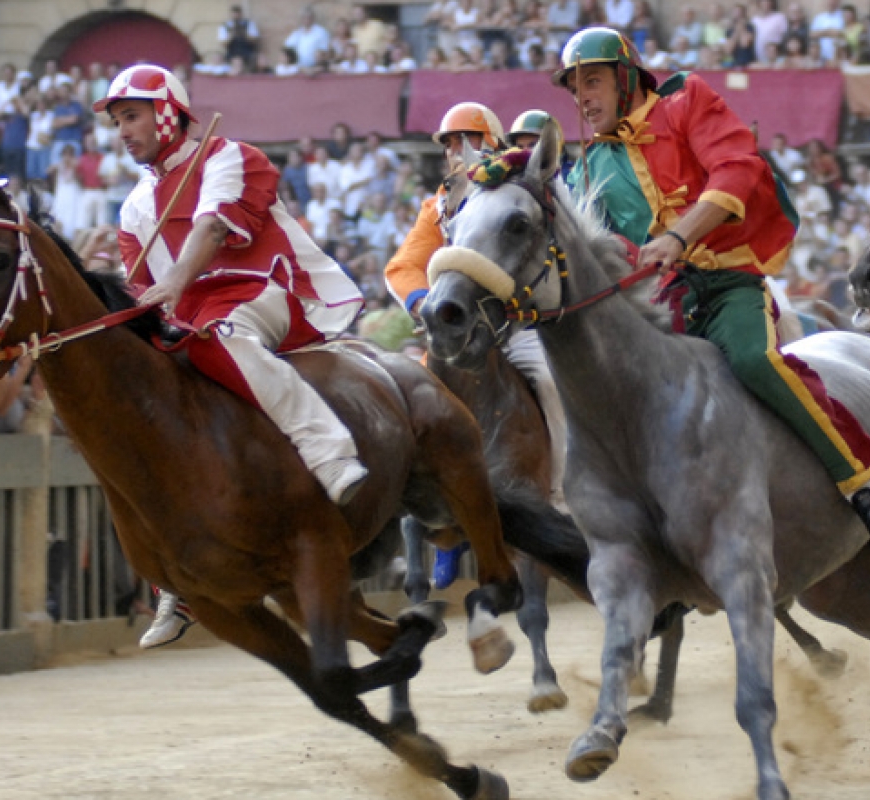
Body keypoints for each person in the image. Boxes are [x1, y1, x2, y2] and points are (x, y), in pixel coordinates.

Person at [555, 27, 870, 556]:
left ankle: (860, 483)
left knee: (752, 360)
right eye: (574, 87)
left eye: (594, 81)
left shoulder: (686, 101)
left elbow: (738, 169)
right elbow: (603, 251)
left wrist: (679, 235)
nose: (583, 97)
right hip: (663, 303)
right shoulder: (586, 167)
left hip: (728, 281)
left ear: (627, 76)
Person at [94, 65, 368, 645]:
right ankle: (179, 577)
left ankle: (330, 449)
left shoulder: (228, 156)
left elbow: (213, 233)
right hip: (190, 316)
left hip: (261, 290)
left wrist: (172, 288)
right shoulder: (134, 206)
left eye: (131, 115)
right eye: (118, 120)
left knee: (217, 332)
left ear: (168, 112)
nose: (122, 130)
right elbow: (139, 286)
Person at [384, 103, 571, 588]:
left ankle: (559, 493)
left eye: (462, 140)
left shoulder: (518, 191)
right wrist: (428, 303)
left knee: (550, 380)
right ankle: (427, 517)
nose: (453, 152)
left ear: (490, 142)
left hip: (517, 328)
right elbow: (402, 268)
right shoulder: (439, 206)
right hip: (461, 331)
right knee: (415, 406)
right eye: (448, 144)